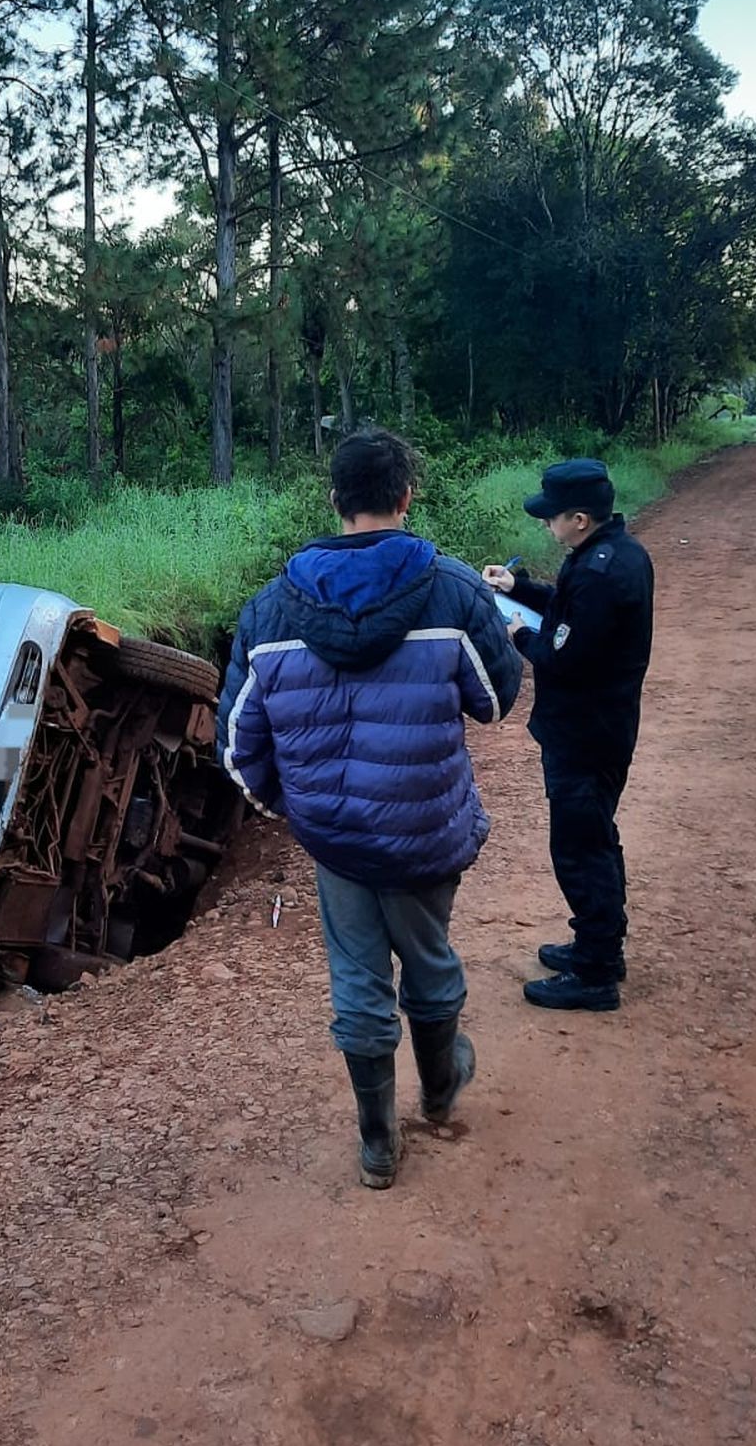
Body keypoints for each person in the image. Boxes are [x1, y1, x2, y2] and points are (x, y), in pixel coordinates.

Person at [218, 429, 521, 1190]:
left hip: (334, 837)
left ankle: (378, 1144)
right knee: (426, 954)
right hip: (425, 826)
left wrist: (287, 807)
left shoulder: (268, 610)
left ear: (334, 500)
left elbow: (237, 744)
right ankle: (443, 1084)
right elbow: (496, 698)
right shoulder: (452, 589)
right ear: (405, 496)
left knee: (356, 973)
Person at [482, 458, 654, 1014]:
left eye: (551, 516)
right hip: (595, 727)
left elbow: (565, 653)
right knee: (593, 838)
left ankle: (597, 973)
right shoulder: (610, 556)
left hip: (586, 733)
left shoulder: (602, 573)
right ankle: (596, 946)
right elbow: (569, 609)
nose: (544, 524)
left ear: (579, 518)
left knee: (581, 848)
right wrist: (519, 587)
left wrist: (517, 634)